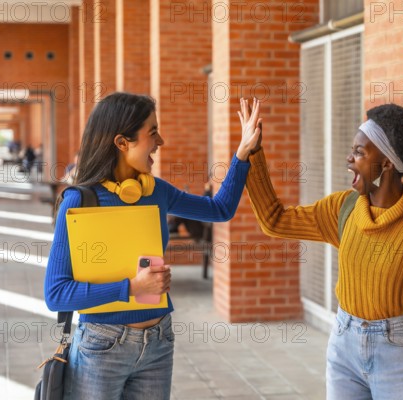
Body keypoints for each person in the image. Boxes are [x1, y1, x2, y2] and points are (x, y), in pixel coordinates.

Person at [242, 100, 403, 400]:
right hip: (343, 347)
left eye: (360, 152)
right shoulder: (344, 208)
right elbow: (275, 220)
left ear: (387, 163)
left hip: (398, 357)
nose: (349, 159)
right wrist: (253, 153)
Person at [45, 92, 261, 399]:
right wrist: (132, 287)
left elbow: (219, 209)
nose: (161, 141)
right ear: (122, 142)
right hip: (101, 346)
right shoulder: (79, 201)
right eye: (152, 132)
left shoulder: (156, 191)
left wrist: (241, 155)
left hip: (158, 342)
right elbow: (56, 295)